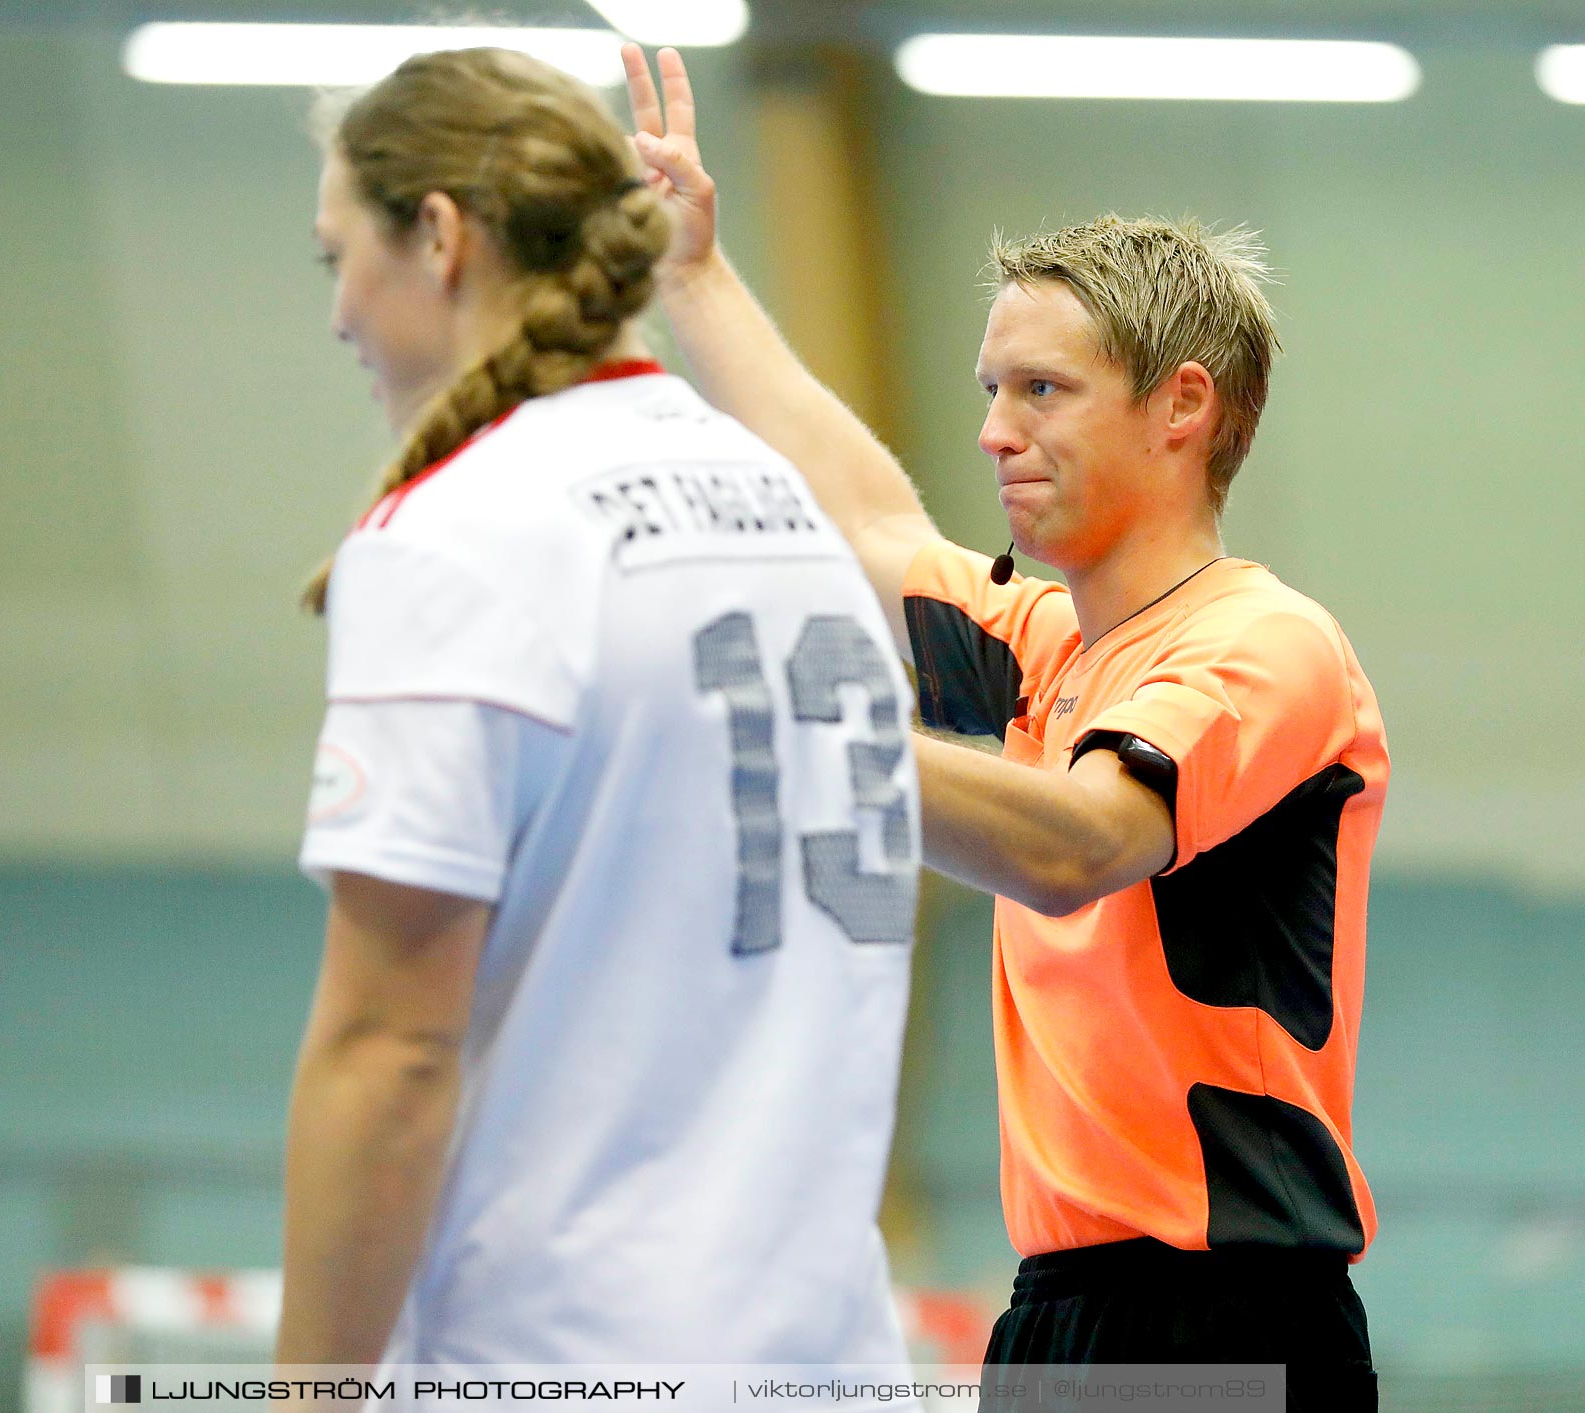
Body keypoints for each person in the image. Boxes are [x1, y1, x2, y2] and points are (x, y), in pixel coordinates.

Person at [625, 45, 1385, 1409]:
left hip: (1222, 1316)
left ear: (1183, 407)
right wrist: (693, 273)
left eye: (1041, 390)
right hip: (1064, 1312)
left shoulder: (1266, 646)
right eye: (989, 390)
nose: (991, 430)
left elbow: (1080, 842)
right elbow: (868, 523)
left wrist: (805, 733)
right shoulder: (1052, 655)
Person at [275, 47, 922, 1377]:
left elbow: (389, 1047)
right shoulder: (782, 506)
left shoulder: (462, 533)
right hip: (831, 1356)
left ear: (440, 237)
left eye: (337, 253)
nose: (338, 311)